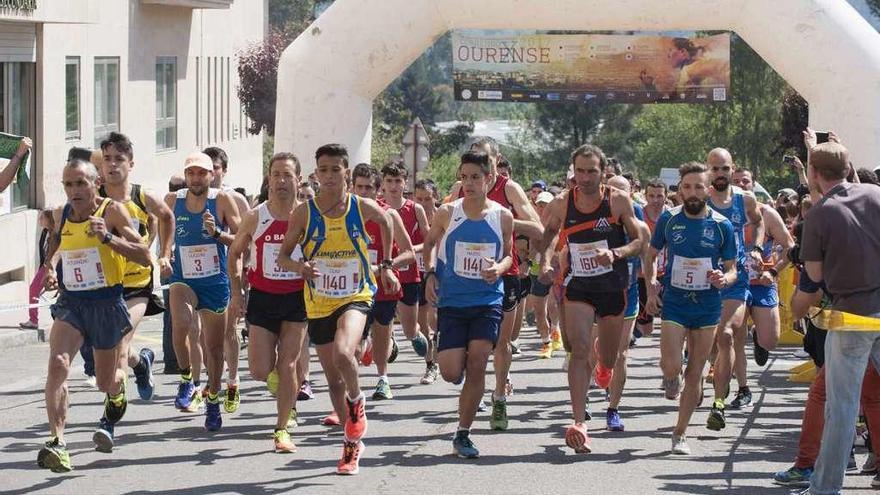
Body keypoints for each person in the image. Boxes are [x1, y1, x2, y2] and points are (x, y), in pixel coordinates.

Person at [277, 143, 399, 476]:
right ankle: (351, 444)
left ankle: (357, 404)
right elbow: (283, 256)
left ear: (347, 172)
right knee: (333, 381)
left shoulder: (361, 207)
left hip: (356, 294)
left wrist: (386, 264)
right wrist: (301, 267)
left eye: (335, 170)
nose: (329, 176)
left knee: (345, 354)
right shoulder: (304, 212)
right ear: (315, 175)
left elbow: (387, 221)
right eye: (323, 170)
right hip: (318, 303)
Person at [37, 159, 151, 472]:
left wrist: (108, 238)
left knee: (105, 381)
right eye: (68, 184)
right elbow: (58, 243)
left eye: (80, 183)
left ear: (95, 183)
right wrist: (50, 269)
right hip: (73, 302)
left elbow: (144, 255)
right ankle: (58, 442)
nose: (73, 191)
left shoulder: (111, 212)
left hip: (107, 303)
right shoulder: (61, 214)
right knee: (58, 362)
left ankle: (119, 386)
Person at [538, 144, 644, 453]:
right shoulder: (561, 204)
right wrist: (545, 262)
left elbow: (638, 240)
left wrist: (615, 253)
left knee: (606, 359)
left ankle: (605, 365)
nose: (584, 178)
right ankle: (579, 421)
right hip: (579, 285)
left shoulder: (618, 201)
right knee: (579, 349)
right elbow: (547, 235)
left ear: (603, 173)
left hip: (613, 286)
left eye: (591, 171)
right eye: (579, 171)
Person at [799, 131, 880, 495]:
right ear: (849, 168)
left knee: (843, 408)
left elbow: (814, 277)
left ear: (814, 173)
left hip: (852, 316)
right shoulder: (878, 195)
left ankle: (825, 488)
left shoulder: (820, 214)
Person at [423, 150, 514, 458]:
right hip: (452, 301)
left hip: (488, 300)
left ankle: (463, 433)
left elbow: (509, 256)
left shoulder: (503, 215)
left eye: (476, 177)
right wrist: (432, 273)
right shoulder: (448, 212)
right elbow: (430, 244)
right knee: (450, 372)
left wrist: (499, 269)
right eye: (464, 177)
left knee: (477, 364)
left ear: (490, 178)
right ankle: (457, 369)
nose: (469, 183)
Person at [644, 161, 738, 455]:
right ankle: (670, 376)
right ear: (680, 190)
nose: (693, 192)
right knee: (672, 364)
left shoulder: (722, 226)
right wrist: (650, 288)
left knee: (696, 372)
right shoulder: (669, 220)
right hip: (675, 302)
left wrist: (724, 278)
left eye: (699, 186)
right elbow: (650, 257)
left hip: (708, 305)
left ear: (708, 189)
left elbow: (732, 268)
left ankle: (679, 433)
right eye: (687, 187)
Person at [448, 136, 541, 431]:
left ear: (496, 161)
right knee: (468, 349)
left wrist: (503, 220)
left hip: (503, 271)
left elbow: (537, 227)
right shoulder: (459, 189)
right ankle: (474, 380)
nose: (478, 172)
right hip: (463, 277)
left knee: (501, 343)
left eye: (486, 161)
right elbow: (443, 224)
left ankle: (499, 395)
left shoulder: (508, 188)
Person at [90, 132, 175, 449]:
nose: (112, 166)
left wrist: (164, 253)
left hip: (137, 286)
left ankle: (108, 422)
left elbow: (166, 216)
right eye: (107, 159)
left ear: (131, 164)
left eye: (118, 160)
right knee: (114, 349)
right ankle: (143, 364)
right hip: (103, 287)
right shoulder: (94, 199)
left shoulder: (142, 197)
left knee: (119, 349)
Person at [228, 152, 307, 453]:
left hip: (297, 297)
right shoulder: (256, 215)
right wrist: (237, 292)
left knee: (288, 364)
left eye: (287, 175)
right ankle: (283, 388)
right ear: (268, 179)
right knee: (261, 370)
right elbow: (235, 253)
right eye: (276, 174)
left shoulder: (308, 214)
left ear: (298, 180)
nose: (281, 181)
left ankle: (282, 428)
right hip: (262, 296)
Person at [165, 152, 241, 431]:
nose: (196, 178)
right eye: (191, 173)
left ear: (212, 175)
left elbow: (241, 238)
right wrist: (164, 255)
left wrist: (217, 234)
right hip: (183, 278)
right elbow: (165, 234)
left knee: (214, 348)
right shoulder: (173, 201)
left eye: (202, 173)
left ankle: (212, 398)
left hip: (214, 281)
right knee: (181, 324)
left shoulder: (221, 200)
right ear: (185, 176)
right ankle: (186, 378)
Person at [705, 148, 764, 431]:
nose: (720, 174)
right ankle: (713, 375)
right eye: (715, 168)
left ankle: (718, 404)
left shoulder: (745, 199)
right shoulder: (699, 201)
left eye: (724, 168)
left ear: (732, 169)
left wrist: (757, 248)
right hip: (703, 279)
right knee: (704, 344)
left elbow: (759, 220)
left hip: (735, 277)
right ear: (708, 171)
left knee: (726, 334)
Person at [728, 168, 794, 410]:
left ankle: (758, 336)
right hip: (734, 284)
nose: (741, 185)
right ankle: (743, 389)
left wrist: (774, 271)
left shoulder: (767, 214)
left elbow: (790, 247)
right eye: (736, 182)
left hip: (762, 284)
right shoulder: (723, 213)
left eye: (745, 181)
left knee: (770, 341)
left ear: (754, 184)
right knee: (735, 336)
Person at [352, 163, 414, 400]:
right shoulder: (341, 214)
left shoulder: (388, 214)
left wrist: (385, 267)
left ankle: (382, 379)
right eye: (359, 187)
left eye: (368, 188)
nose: (364, 192)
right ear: (351, 188)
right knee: (353, 339)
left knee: (381, 332)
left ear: (377, 190)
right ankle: (351, 392)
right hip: (353, 287)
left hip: (382, 285)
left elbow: (408, 253)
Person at [203, 146, 251, 413]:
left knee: (229, 330)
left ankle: (232, 380)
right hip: (202, 276)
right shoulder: (194, 199)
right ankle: (213, 384)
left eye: (215, 168)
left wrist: (244, 272)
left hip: (230, 273)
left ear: (223, 171)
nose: (210, 174)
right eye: (204, 169)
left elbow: (247, 239)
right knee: (205, 335)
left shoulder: (236, 200)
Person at [603, 174, 650, 432]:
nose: (616, 195)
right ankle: (597, 376)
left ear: (630, 193)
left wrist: (651, 287)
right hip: (596, 291)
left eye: (622, 191)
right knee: (594, 351)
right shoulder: (595, 212)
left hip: (628, 291)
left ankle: (613, 409)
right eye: (612, 190)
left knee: (621, 353)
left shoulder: (637, 215)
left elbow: (647, 252)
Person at [379, 163, 430, 366]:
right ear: (382, 183)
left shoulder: (415, 208)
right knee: (382, 320)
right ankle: (387, 341)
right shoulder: (376, 207)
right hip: (383, 274)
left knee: (409, 329)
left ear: (405, 183)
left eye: (398, 181)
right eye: (389, 181)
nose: (393, 186)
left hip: (408, 274)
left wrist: (409, 250)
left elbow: (429, 240)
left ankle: (415, 335)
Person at [414, 179, 441, 383]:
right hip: (417, 274)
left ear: (436, 198)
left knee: (435, 318)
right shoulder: (410, 215)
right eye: (419, 199)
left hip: (441, 273)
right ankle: (430, 364)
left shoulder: (445, 216)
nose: (423, 203)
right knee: (423, 324)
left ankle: (438, 359)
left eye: (428, 198)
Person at [636, 179, 669, 338]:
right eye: (651, 196)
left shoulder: (672, 216)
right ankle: (632, 328)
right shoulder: (639, 216)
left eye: (659, 196)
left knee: (672, 319)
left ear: (666, 197)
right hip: (642, 275)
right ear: (645, 196)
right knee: (647, 329)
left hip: (667, 275)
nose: (655, 200)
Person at [162, 175, 187, 374]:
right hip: (171, 265)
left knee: (176, 315)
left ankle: (177, 359)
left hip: (182, 264)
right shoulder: (169, 204)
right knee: (173, 315)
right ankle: (173, 361)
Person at [20, 209, 53, 330]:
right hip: (44, 266)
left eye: (42, 218)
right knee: (34, 289)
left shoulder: (55, 234)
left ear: (49, 219)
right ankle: (33, 320)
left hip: (51, 267)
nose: (39, 220)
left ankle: (34, 320)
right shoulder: (45, 232)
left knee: (34, 289)